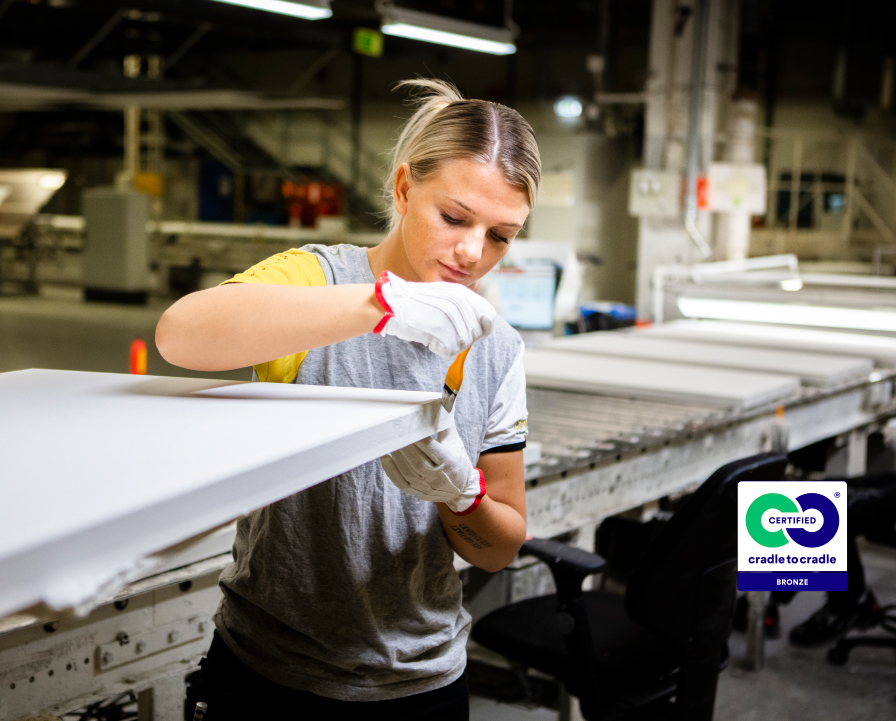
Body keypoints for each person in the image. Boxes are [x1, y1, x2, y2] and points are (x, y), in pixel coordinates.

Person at [156, 79, 541, 720]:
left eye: (501, 236)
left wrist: (459, 494)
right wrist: (380, 307)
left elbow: (498, 547)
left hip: (422, 686)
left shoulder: (494, 346)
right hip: (271, 675)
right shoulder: (319, 281)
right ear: (402, 189)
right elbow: (181, 334)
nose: (473, 252)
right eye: (454, 218)